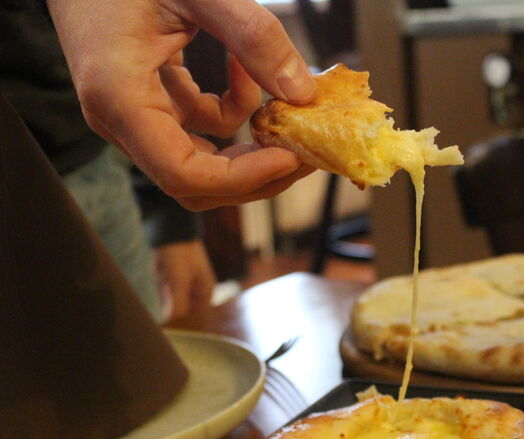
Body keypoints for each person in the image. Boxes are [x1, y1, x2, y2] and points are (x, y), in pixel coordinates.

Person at [2, 0, 317, 320]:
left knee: (145, 349)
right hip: (25, 182)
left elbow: (131, 59)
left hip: (96, 163)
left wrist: (169, 219)